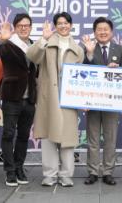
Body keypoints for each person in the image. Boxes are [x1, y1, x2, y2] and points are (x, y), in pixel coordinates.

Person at [26, 12, 84, 187]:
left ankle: (66, 175)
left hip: (68, 99)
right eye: (59, 23)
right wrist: (43, 39)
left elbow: (82, 78)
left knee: (67, 139)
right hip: (49, 97)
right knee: (48, 138)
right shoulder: (48, 43)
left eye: (66, 23)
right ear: (55, 26)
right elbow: (32, 56)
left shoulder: (78, 50)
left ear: (71, 25)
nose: (63, 26)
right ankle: (49, 175)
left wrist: (82, 100)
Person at [0, 13, 37, 187]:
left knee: (23, 136)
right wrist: (1, 40)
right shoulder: (8, 43)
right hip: (12, 97)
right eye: (20, 25)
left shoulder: (34, 46)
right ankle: (9, 171)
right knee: (8, 135)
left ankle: (19, 168)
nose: (24, 28)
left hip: (29, 100)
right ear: (15, 28)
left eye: (27, 25)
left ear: (31, 27)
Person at [81, 17, 122, 186]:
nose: (102, 32)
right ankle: (93, 172)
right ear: (94, 32)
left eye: (105, 29)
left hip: (112, 103)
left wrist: (118, 70)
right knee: (93, 139)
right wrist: (89, 54)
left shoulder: (121, 50)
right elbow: (82, 74)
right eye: (99, 29)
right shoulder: (88, 48)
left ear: (111, 32)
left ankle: (108, 172)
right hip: (93, 103)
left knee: (110, 139)